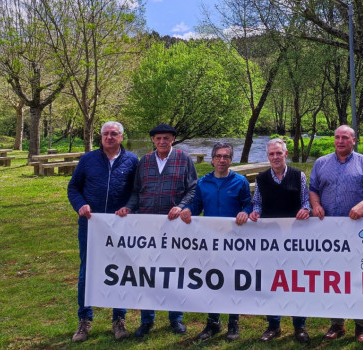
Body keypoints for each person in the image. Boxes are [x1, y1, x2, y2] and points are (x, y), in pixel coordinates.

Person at [115, 123, 197, 339]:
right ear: (153, 140)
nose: (162, 141)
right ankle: (147, 319)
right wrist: (129, 207)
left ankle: (175, 318)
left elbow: (193, 188)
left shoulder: (183, 159)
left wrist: (181, 206)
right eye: (158, 138)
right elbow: (136, 191)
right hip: (147, 225)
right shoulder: (145, 161)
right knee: (147, 273)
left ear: (172, 140)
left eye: (166, 138)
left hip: (174, 225)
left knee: (174, 271)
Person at [309, 125, 363, 343]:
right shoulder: (321, 163)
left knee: (358, 278)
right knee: (334, 277)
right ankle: (337, 324)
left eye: (345, 137)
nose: (340, 141)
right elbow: (313, 188)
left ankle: (361, 327)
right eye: (337, 137)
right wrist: (315, 204)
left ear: (354, 140)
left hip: (357, 231)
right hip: (329, 232)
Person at [67, 121, 138, 342]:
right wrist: (80, 204)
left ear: (121, 136)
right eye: (106, 134)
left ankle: (119, 319)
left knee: (120, 271)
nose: (109, 137)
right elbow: (73, 187)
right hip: (91, 226)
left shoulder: (132, 161)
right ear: (101, 137)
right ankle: (84, 320)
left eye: (114, 134)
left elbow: (136, 191)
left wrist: (130, 206)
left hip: (120, 228)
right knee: (87, 272)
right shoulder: (88, 159)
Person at [180, 141, 251, 342]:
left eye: (226, 156)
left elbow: (248, 205)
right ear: (212, 160)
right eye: (218, 156)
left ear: (231, 159)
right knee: (212, 281)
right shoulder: (203, 183)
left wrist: (245, 213)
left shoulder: (241, 182)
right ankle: (213, 322)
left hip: (234, 241)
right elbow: (197, 206)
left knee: (232, 281)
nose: (222, 160)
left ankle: (233, 323)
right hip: (210, 241)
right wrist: (188, 211)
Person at [249, 138, 311, 344]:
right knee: (272, 281)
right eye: (271, 154)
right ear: (268, 156)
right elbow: (257, 202)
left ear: (286, 154)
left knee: (295, 281)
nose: (275, 157)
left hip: (294, 237)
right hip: (270, 238)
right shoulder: (262, 178)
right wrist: (255, 213)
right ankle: (273, 325)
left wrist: (306, 210)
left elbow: (305, 201)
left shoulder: (298, 175)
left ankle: (299, 325)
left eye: (278, 153)